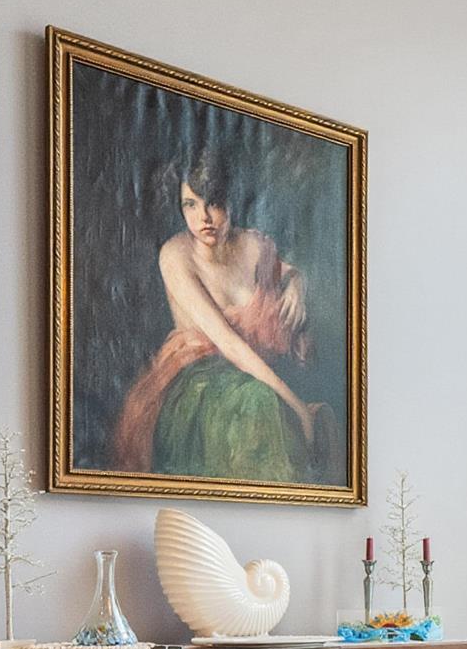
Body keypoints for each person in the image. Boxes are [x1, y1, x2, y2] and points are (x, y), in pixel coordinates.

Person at [110, 145, 325, 482]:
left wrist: (297, 284)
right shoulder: (176, 255)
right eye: (190, 205)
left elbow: (289, 271)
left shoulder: (254, 246)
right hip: (199, 383)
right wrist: (297, 406)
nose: (203, 218)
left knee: (287, 409)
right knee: (261, 401)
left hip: (250, 374)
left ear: (232, 201)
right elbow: (227, 341)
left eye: (214, 203)